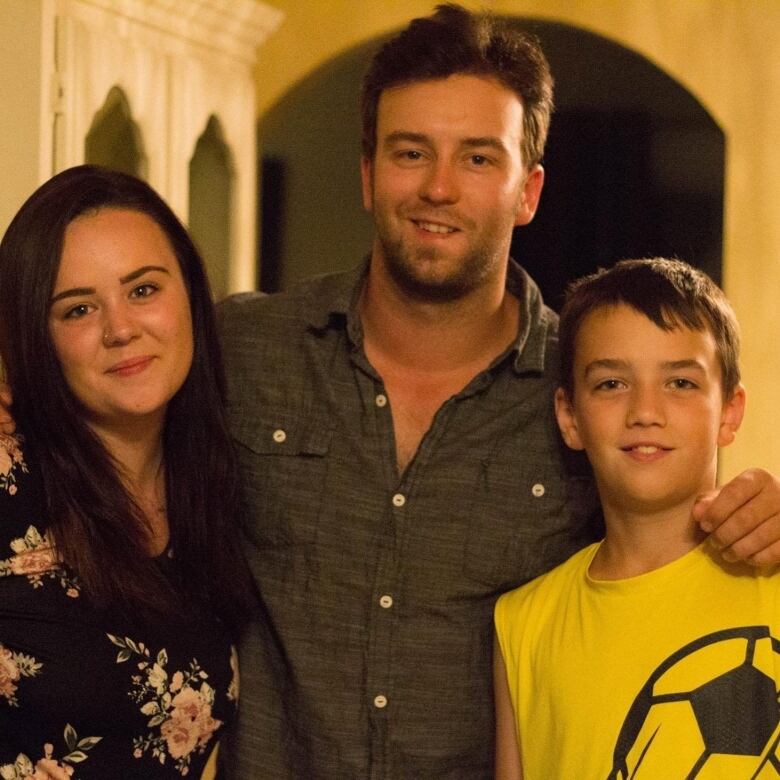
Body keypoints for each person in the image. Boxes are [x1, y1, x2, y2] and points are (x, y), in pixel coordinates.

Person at [217, 5, 780, 778]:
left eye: (480, 159)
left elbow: (671, 537)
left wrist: (765, 516)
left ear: (529, 190)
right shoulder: (243, 350)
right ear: (368, 173)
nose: (439, 188)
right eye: (411, 152)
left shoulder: (589, 388)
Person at [0, 165, 254, 779]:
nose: (120, 329)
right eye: (78, 308)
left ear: (190, 294)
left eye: (143, 290)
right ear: (39, 336)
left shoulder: (211, 484)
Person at [493, 257, 780, 778]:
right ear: (569, 416)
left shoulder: (774, 569)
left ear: (730, 411)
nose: (645, 410)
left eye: (681, 384)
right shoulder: (522, 624)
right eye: (611, 384)